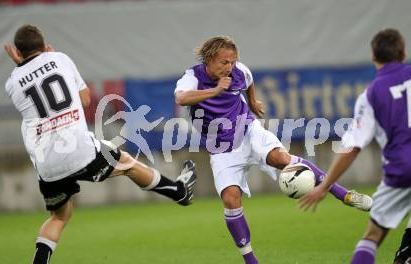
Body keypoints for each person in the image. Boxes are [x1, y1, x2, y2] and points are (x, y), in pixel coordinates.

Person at [4, 24, 197, 264]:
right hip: (78, 150)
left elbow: (29, 83)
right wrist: (50, 57)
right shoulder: (60, 58)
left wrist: (22, 66)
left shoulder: (12, 82)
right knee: (127, 163)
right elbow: (85, 99)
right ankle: (179, 192)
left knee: (59, 217)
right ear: (44, 46)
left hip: (46, 164)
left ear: (18, 53)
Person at [174, 36, 373, 264]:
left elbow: (249, 81)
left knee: (281, 158)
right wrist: (216, 91)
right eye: (224, 62)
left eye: (233, 62)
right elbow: (181, 98)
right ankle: (251, 261)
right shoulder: (193, 76)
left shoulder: (239, 71)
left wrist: (252, 102)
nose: (230, 68)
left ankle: (344, 195)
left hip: (248, 130)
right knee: (230, 199)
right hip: (220, 148)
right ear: (209, 59)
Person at [299, 28, 411, 264]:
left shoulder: (371, 95)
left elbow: (352, 147)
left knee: (372, 236)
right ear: (403, 54)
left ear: (373, 57)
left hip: (402, 171)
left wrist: (324, 186)